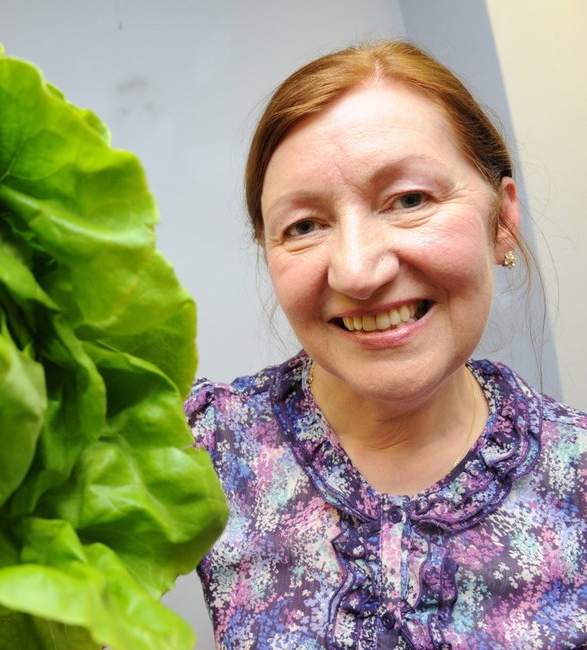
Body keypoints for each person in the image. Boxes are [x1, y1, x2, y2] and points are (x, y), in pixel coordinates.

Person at [185, 40, 587, 649]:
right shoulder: (201, 449)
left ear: (502, 220)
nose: (357, 270)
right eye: (304, 226)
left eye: (409, 200)